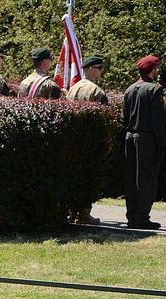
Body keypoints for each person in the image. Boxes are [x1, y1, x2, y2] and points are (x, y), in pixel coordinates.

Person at [123, 55, 166, 230]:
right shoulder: (154, 89)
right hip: (146, 138)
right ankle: (142, 217)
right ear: (152, 70)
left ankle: (132, 216)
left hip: (130, 136)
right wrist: (160, 141)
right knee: (146, 178)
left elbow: (124, 118)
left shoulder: (130, 89)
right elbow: (157, 120)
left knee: (131, 178)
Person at [66, 55, 109, 225]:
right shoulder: (96, 91)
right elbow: (104, 118)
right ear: (90, 69)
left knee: (74, 177)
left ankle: (71, 213)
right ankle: (83, 213)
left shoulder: (73, 88)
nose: (101, 72)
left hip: (72, 140)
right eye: (99, 68)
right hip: (90, 141)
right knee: (88, 177)